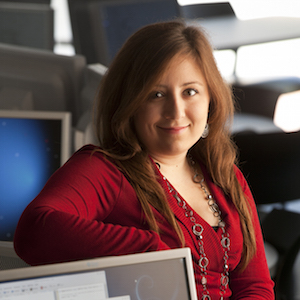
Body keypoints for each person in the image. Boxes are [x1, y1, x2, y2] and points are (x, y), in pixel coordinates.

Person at [14, 20, 274, 299]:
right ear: (130, 104)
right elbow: (35, 230)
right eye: (157, 94)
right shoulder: (104, 169)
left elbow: (254, 285)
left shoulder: (224, 174)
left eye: (190, 91)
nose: (176, 111)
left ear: (211, 99)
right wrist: (152, 254)